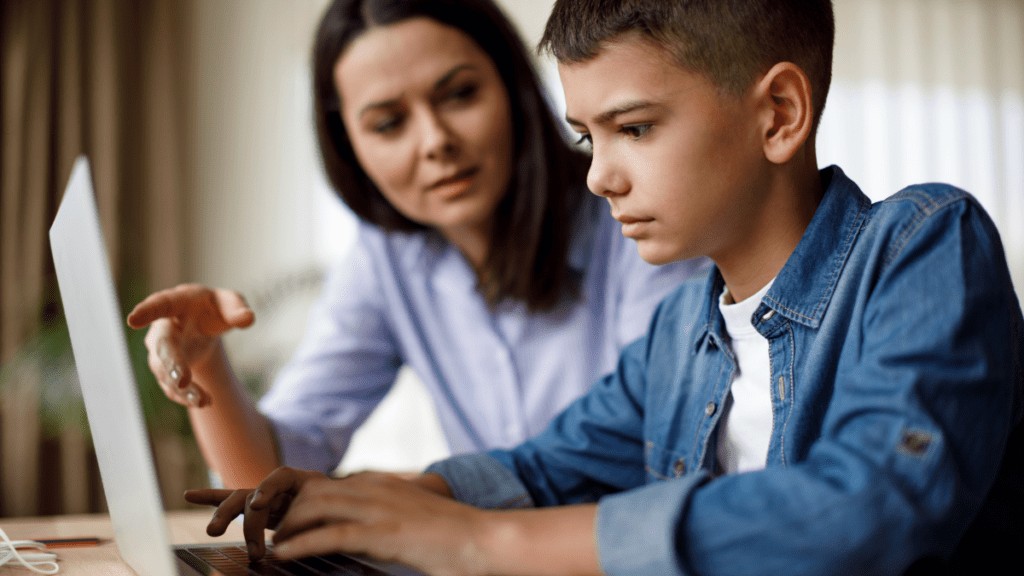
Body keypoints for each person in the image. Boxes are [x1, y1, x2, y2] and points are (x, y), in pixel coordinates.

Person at [185, 0, 1024, 574]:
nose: (598, 177)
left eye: (634, 128)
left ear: (778, 115)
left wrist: (484, 545)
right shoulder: (679, 336)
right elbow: (544, 467)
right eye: (586, 135)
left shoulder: (922, 243)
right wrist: (373, 502)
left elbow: (875, 504)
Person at [126, 0, 706, 489]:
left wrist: (423, 499)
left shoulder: (636, 219)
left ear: (512, 88)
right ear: (348, 145)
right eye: (387, 124)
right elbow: (268, 479)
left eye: (459, 95)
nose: (435, 142)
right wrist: (208, 365)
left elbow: (652, 450)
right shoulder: (386, 259)